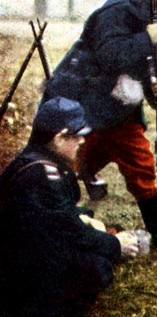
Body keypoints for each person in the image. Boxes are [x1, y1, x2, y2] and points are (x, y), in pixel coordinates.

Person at [42, 0, 157, 247]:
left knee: (139, 161)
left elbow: (146, 63)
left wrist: (156, 87)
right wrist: (146, 40)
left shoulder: (152, 12)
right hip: (81, 101)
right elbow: (109, 55)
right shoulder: (122, 7)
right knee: (61, 165)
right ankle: (54, 220)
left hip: (117, 106)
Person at [0, 97, 123, 316]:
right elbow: (70, 232)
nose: (82, 141)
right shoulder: (41, 176)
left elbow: (60, 215)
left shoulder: (34, 159)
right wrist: (115, 244)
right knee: (96, 269)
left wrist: (83, 217)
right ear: (59, 138)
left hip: (24, 253)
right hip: (19, 271)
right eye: (77, 136)